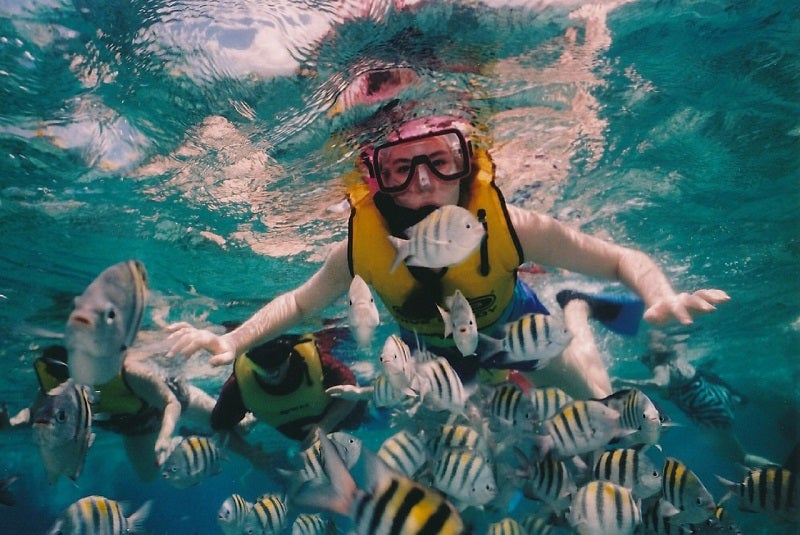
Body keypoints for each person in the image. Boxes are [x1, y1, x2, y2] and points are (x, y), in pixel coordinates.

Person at [165, 112, 729, 401]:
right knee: (446, 434)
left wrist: (657, 294)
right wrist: (232, 341)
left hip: (516, 325)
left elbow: (618, 260)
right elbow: (301, 300)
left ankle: (574, 314)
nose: (423, 182)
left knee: (600, 399)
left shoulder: (514, 227)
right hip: (429, 351)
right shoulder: (359, 247)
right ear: (375, 180)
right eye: (400, 168)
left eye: (439, 160)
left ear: (468, 164)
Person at [209, 327, 367, 458]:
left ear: (290, 350)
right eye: (260, 360)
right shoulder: (239, 385)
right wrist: (250, 454)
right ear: (248, 356)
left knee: (368, 415)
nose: (271, 369)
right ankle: (255, 417)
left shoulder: (317, 361)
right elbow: (220, 426)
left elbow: (352, 390)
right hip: (304, 440)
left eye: (278, 356)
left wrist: (324, 426)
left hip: (348, 417)